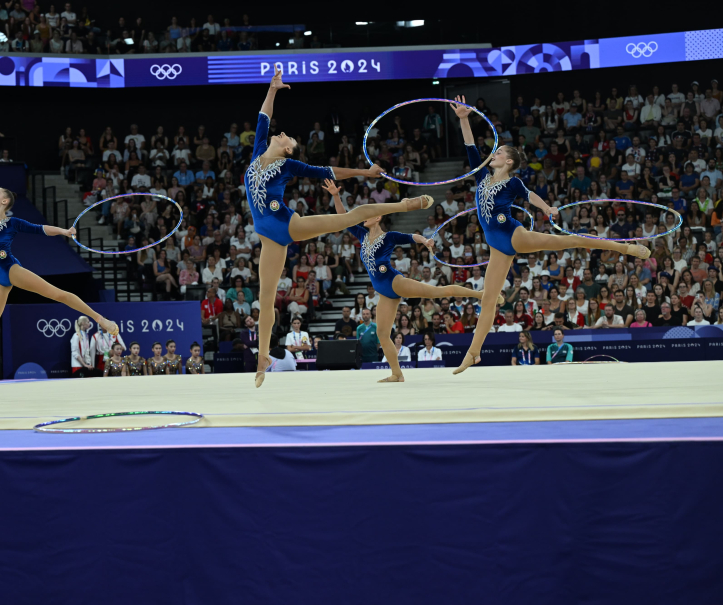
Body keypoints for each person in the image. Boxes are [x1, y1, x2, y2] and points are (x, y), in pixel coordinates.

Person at [249, 70, 429, 388]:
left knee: (349, 218)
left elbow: (326, 171)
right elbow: (264, 114)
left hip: (287, 225)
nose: (283, 134)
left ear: (289, 149)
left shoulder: (288, 164)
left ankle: (404, 206)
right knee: (265, 300)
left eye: (287, 137)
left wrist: (365, 172)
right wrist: (273, 89)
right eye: (282, 134)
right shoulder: (258, 152)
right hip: (269, 241)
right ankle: (263, 358)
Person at [450, 96, 649, 375]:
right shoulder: (482, 176)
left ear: (508, 161)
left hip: (513, 236)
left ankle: (625, 249)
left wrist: (547, 208)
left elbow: (529, 195)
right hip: (496, 247)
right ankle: (473, 354)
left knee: (571, 240)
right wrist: (462, 118)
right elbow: (469, 145)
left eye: (497, 153)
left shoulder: (513, 181)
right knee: (487, 301)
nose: (491, 155)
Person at [0, 167, 117, 396]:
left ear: (5, 201)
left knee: (57, 294)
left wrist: (64, 231)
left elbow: (40, 229)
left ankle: (101, 319)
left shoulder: (12, 223)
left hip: (10, 269)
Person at [327, 180, 503, 382]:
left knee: (438, 292)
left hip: (394, 282)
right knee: (383, 334)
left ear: (377, 217)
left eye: (366, 215)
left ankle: (481, 294)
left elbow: (413, 237)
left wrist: (426, 241)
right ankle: (397, 374)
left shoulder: (389, 237)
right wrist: (335, 195)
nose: (361, 218)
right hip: (383, 291)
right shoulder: (361, 233)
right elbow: (343, 218)